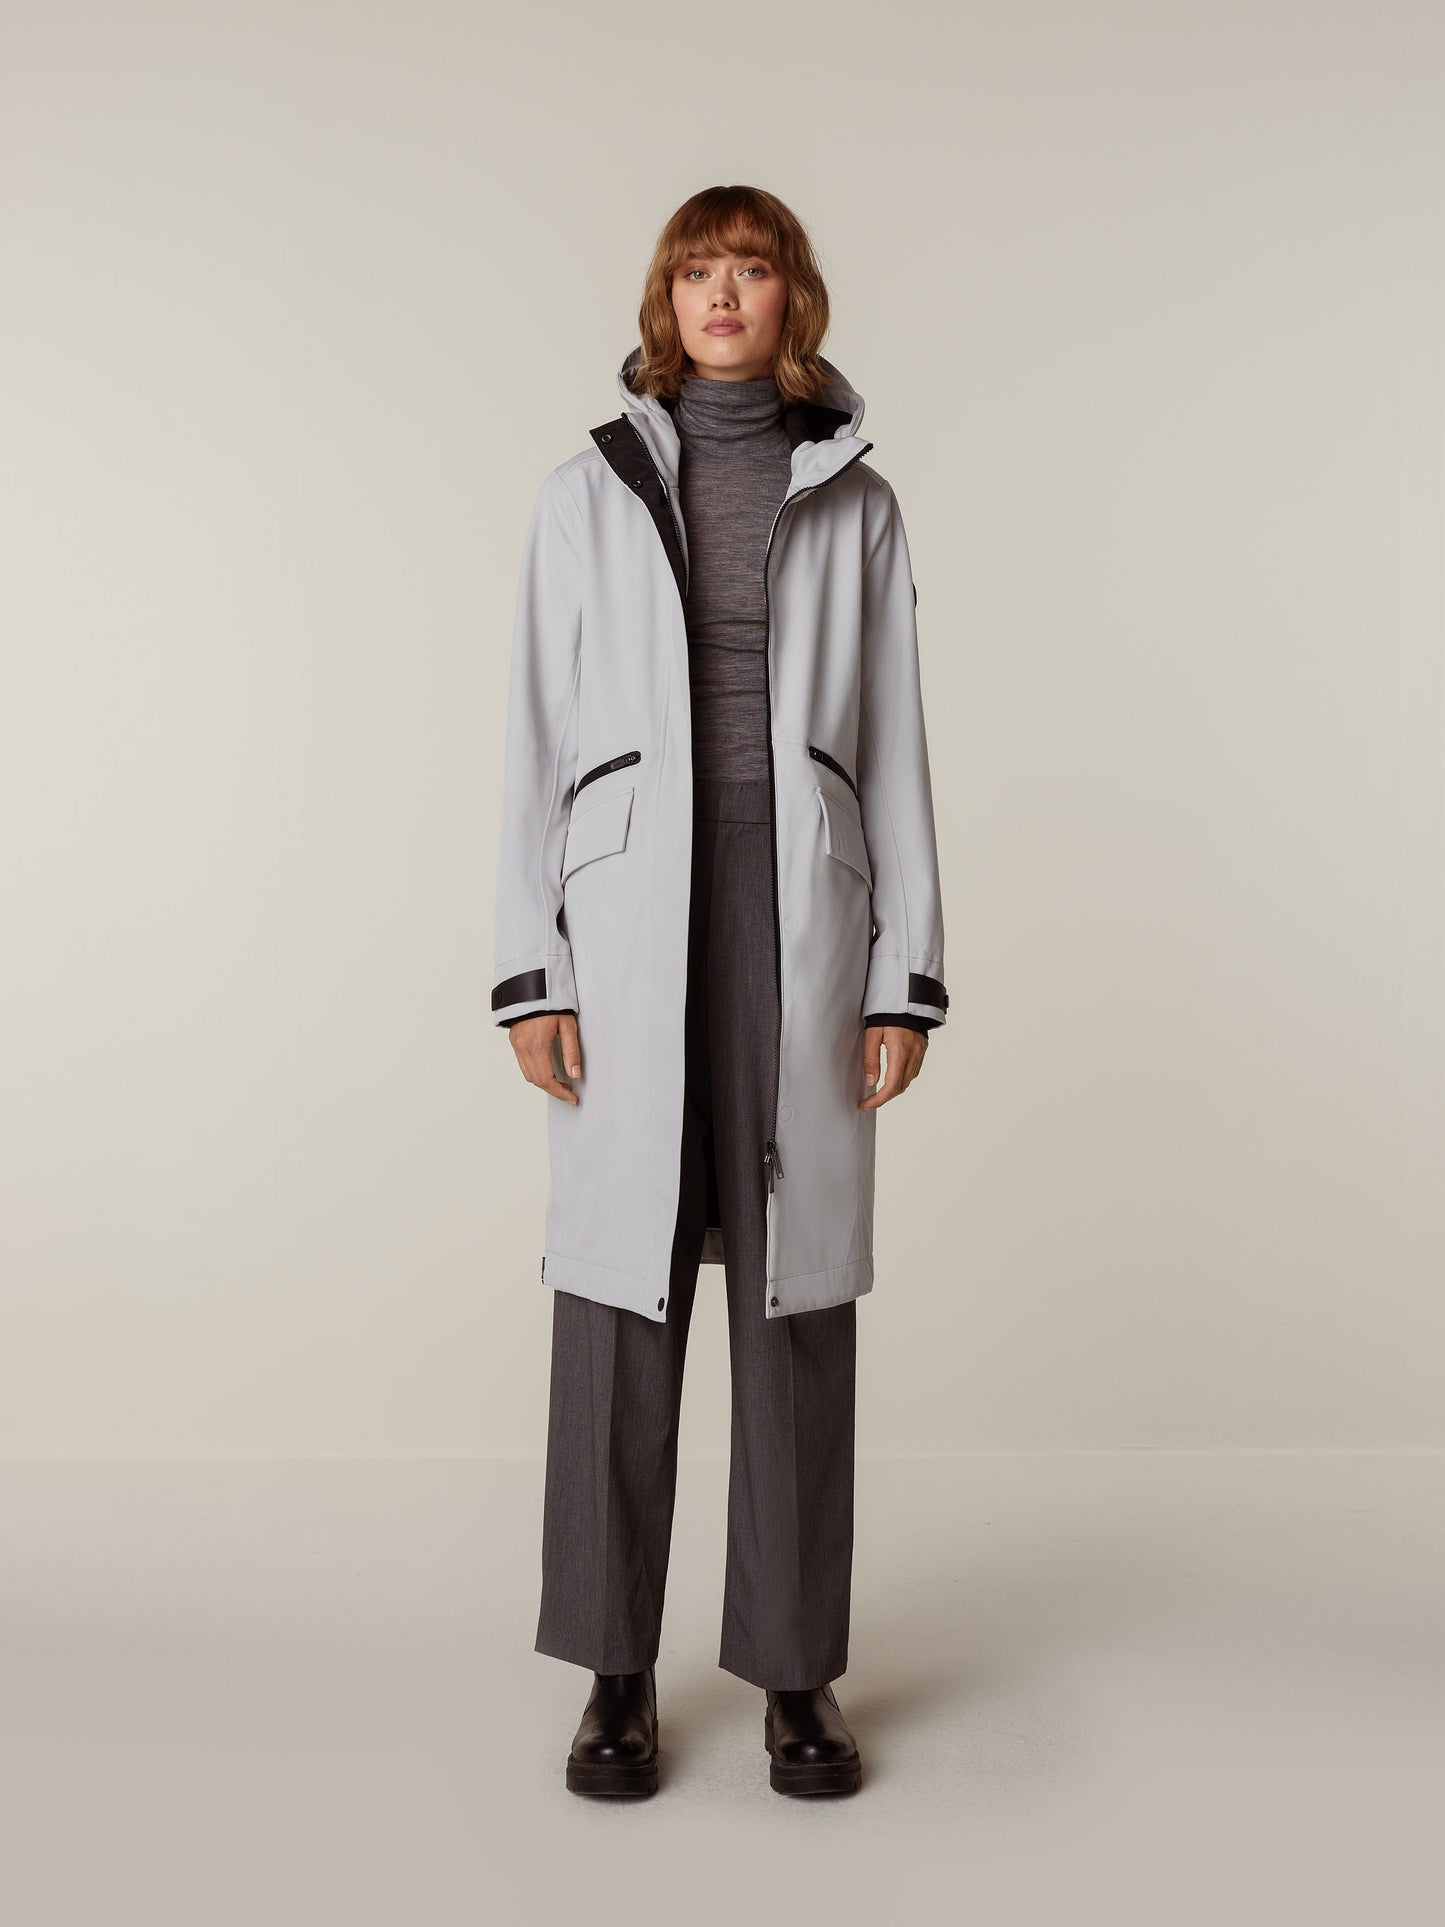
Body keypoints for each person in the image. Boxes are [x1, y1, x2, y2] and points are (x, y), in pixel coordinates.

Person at [492, 184, 947, 1798]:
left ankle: (795, 1674)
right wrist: (531, 970)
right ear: (665, 299)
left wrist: (901, 977)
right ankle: (613, 1671)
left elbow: (891, 739)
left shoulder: (857, 500)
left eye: (750, 268)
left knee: (791, 1296)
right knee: (618, 1292)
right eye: (698, 270)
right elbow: (535, 735)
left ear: (790, 296)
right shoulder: (582, 495)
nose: (724, 294)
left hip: (798, 915)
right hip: (626, 918)